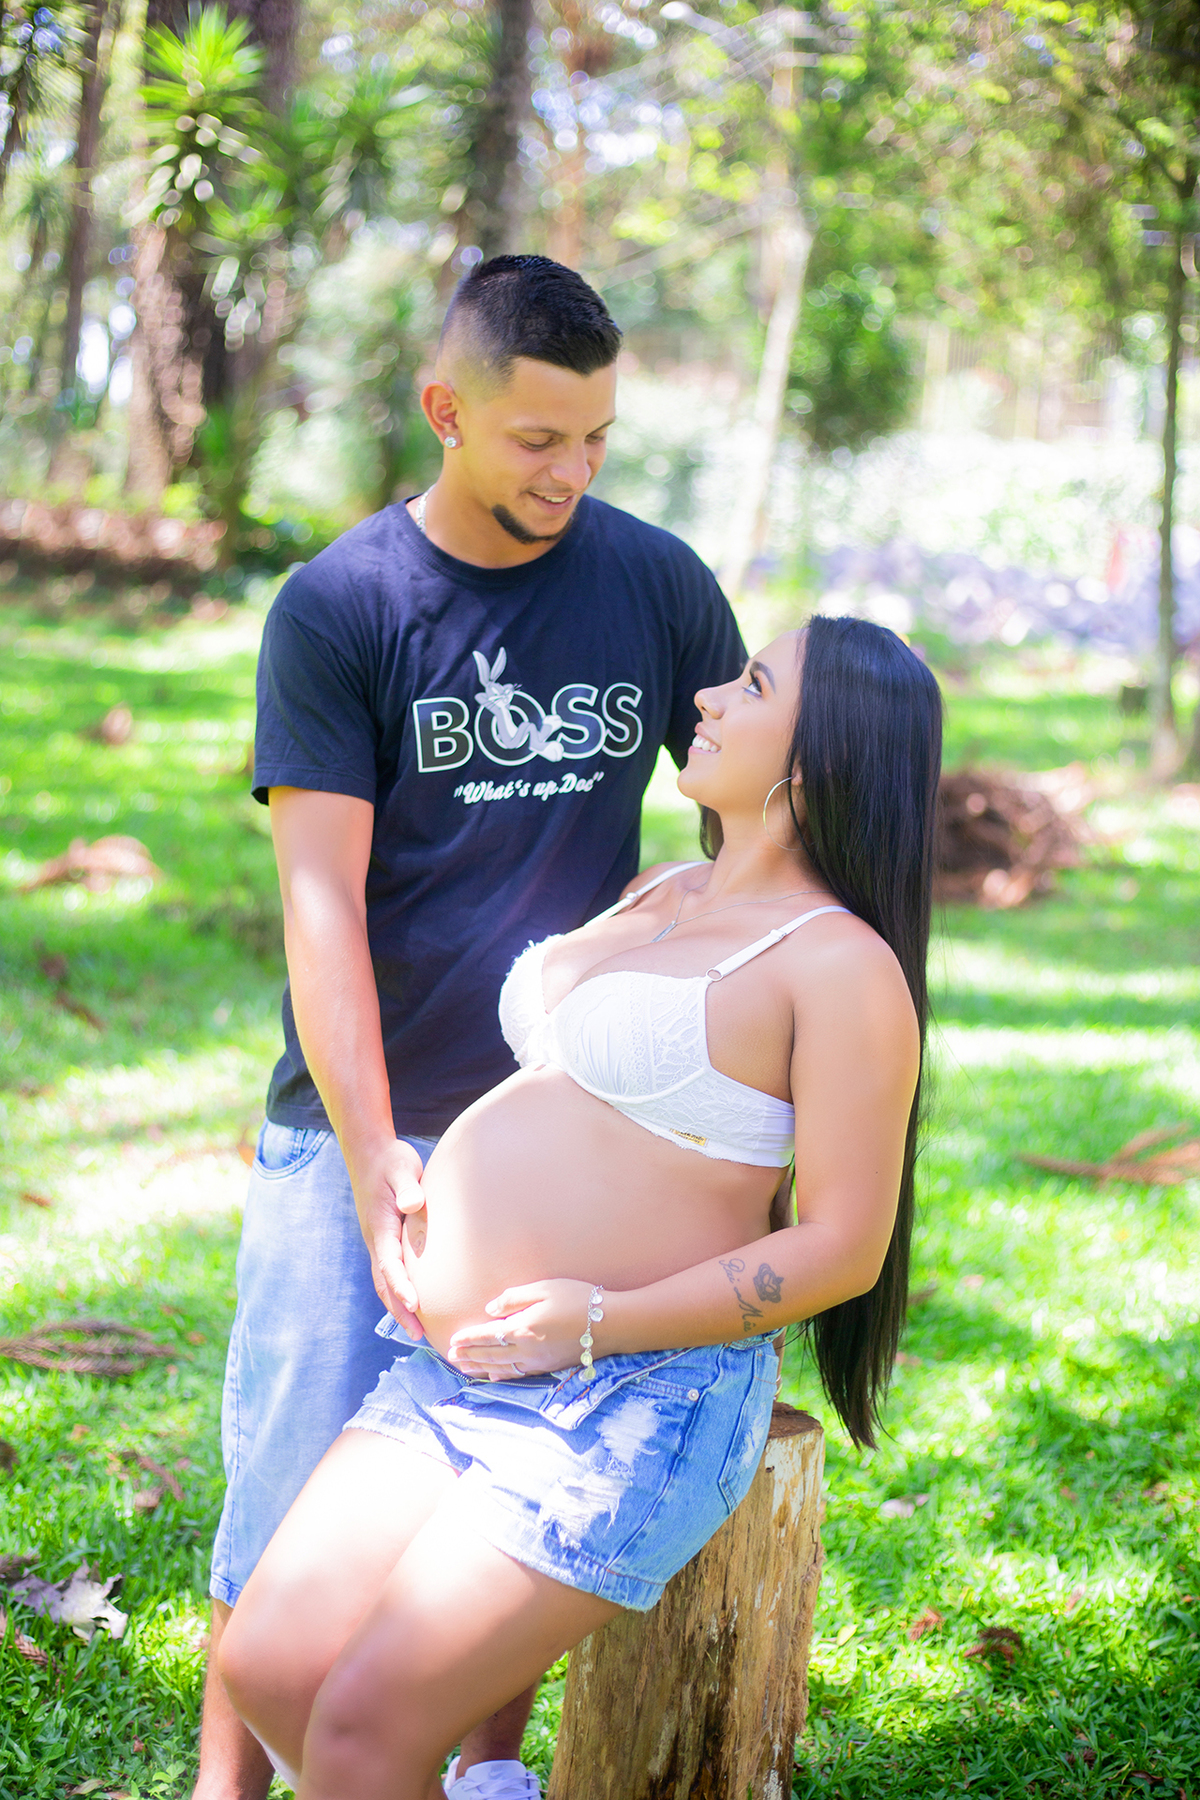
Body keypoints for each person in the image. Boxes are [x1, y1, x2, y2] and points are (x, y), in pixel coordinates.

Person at [218, 615, 943, 1800]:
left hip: (625, 1404)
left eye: (752, 684)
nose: (708, 696)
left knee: (357, 1731)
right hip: (465, 1366)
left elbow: (844, 1247)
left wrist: (599, 1319)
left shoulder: (840, 967)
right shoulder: (667, 886)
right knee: (272, 1665)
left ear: (816, 763)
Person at [195, 255, 747, 1800]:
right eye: (535, 441)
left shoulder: (652, 583)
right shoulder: (343, 606)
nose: (570, 475)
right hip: (350, 1130)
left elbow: (754, 816)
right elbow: (322, 911)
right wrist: (376, 1163)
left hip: (559, 1147)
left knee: (498, 1503)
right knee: (288, 1495)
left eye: (594, 442)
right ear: (447, 409)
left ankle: (458, 1783)